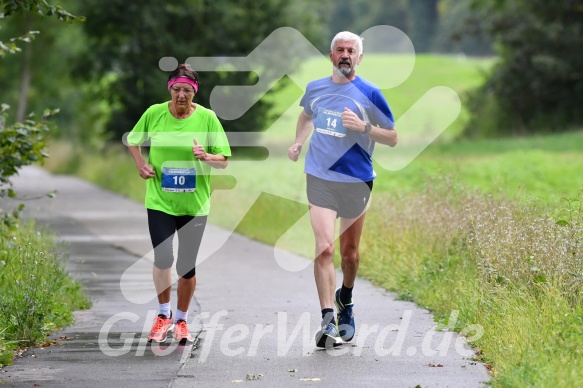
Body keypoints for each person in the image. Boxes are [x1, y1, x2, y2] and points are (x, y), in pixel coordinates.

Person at [288, 31, 398, 348]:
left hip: (356, 180)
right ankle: (327, 320)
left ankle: (345, 299)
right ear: (331, 55)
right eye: (340, 50)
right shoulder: (315, 89)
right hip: (319, 177)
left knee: (350, 255)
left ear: (359, 58)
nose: (345, 54)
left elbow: (392, 137)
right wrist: (298, 142)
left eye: (351, 50)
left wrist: (363, 127)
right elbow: (306, 115)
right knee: (324, 248)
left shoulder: (370, 93)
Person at [127, 64, 231, 344]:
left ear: (194, 92)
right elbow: (133, 141)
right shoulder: (154, 113)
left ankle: (182, 320)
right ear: (169, 90)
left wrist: (205, 155)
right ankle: (163, 315)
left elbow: (224, 161)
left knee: (187, 266)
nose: (181, 95)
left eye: (187, 90)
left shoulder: (208, 119)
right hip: (160, 200)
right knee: (163, 258)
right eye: (176, 89)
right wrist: (141, 165)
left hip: (194, 205)